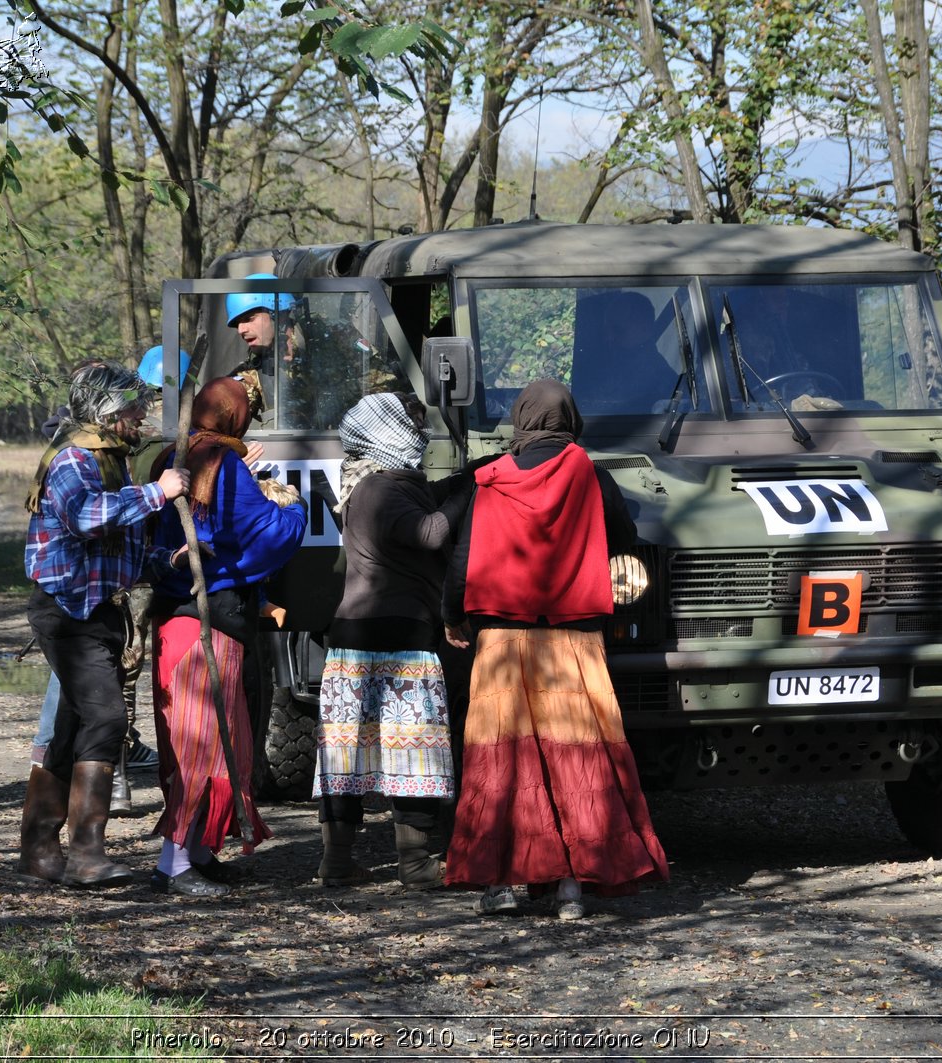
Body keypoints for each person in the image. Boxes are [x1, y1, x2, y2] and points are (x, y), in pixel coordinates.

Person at [442, 379, 669, 919]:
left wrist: (454, 617)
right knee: (576, 761)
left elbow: (464, 557)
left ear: (521, 418)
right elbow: (623, 536)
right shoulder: (589, 474)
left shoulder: (490, 480)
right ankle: (571, 886)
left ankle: (499, 885)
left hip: (500, 640)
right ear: (570, 418)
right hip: (573, 640)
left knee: (502, 761)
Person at [17, 363, 189, 888]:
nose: (142, 416)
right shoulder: (74, 458)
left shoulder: (109, 460)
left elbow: (119, 548)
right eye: (135, 408)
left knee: (70, 725)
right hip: (69, 614)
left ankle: (39, 850)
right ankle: (87, 852)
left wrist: (165, 564)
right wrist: (160, 491)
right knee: (107, 718)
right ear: (110, 413)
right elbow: (87, 517)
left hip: (99, 611)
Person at [146, 375, 307, 897]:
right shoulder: (223, 465)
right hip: (208, 621)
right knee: (200, 741)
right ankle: (174, 865)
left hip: (177, 614)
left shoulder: (172, 458)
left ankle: (196, 852)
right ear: (234, 415)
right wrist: (295, 507)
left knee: (211, 740)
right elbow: (270, 533)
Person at [312, 393, 467, 890]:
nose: (420, 435)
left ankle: (337, 862)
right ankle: (416, 863)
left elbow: (427, 499)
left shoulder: (379, 483)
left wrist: (471, 474)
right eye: (412, 424)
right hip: (396, 638)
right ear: (387, 430)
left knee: (347, 751)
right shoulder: (381, 489)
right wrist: (473, 491)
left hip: (359, 637)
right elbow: (429, 532)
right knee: (413, 751)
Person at [227, 271, 404, 429]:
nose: (241, 330)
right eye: (237, 324)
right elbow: (226, 407)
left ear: (277, 313)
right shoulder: (252, 371)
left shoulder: (333, 334)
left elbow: (383, 385)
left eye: (249, 319)